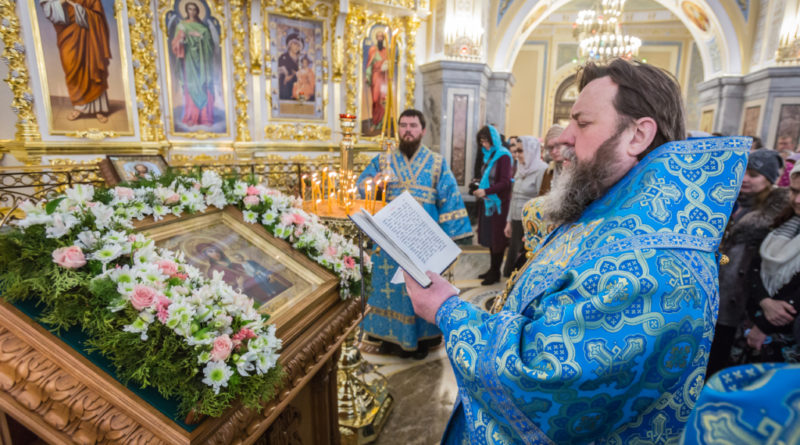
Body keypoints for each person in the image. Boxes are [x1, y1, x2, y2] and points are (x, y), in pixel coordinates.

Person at [403, 58, 749, 443]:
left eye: (582, 123)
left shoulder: (654, 266)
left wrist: (447, 310)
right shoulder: (611, 211)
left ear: (638, 135)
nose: (564, 137)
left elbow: (542, 380)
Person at [357, 109, 472, 359]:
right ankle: (389, 339)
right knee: (388, 290)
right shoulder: (383, 161)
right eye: (403, 125)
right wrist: (374, 185)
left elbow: (449, 198)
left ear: (422, 130)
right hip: (389, 241)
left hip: (423, 242)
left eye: (413, 125)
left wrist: (449, 241)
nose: (407, 130)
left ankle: (421, 341)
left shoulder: (437, 163)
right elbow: (361, 187)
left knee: (421, 289)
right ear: (398, 129)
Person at [706, 149, 788, 376]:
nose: (745, 179)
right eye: (743, 172)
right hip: (720, 295)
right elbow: (727, 256)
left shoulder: (775, 216)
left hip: (744, 305)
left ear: (769, 179)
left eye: (753, 174)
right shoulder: (735, 204)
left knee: (724, 368)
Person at [740, 162, 800, 364]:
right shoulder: (786, 221)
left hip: (786, 333)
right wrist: (765, 301)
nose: (797, 200)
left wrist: (764, 325)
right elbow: (756, 264)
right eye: (794, 191)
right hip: (757, 315)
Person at [40, 0, 112, 124]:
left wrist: (83, 12)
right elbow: (48, 9)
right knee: (71, 67)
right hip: (67, 36)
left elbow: (98, 17)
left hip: (90, 38)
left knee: (92, 68)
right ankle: (79, 107)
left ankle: (98, 109)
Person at [473, 125, 513, 285]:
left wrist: (486, 191)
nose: (484, 145)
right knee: (490, 237)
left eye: (486, 141)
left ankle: (495, 272)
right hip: (489, 203)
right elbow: (488, 177)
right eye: (481, 142)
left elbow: (505, 183)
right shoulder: (489, 155)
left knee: (498, 239)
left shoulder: (503, 156)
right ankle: (492, 269)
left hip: (499, 205)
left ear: (494, 140)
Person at [503, 136, 546, 278]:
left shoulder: (542, 170)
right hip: (516, 220)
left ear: (531, 150)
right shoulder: (520, 169)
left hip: (529, 223)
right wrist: (509, 222)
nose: (517, 155)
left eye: (520, 151)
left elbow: (542, 200)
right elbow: (514, 197)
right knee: (512, 256)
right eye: (516, 151)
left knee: (523, 258)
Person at [171, 1, 216, 128]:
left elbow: (210, 47)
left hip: (203, 62)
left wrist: (201, 37)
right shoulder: (182, 26)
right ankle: (192, 116)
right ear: (186, 11)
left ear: (198, 11)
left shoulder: (204, 28)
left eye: (194, 9)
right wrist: (181, 40)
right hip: (189, 61)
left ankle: (205, 117)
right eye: (189, 9)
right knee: (191, 86)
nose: (192, 12)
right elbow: (175, 45)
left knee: (204, 85)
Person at [365, 31, 389, 134]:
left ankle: (382, 125)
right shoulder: (372, 50)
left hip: (383, 77)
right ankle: (375, 122)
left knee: (383, 100)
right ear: (376, 38)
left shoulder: (386, 51)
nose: (380, 39)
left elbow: (389, 64)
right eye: (378, 37)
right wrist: (367, 76)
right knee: (375, 100)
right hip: (375, 76)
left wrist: (387, 66)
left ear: (383, 39)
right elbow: (369, 64)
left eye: (381, 37)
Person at [538, 124, 566, 196]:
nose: (554, 151)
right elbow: (541, 198)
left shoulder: (577, 172)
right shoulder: (549, 172)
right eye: (550, 148)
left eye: (558, 146)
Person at [278, 29, 304, 100]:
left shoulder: (300, 61)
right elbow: (282, 77)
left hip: (298, 91)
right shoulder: (283, 58)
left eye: (299, 46)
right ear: (290, 44)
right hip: (285, 91)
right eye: (295, 44)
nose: (297, 47)